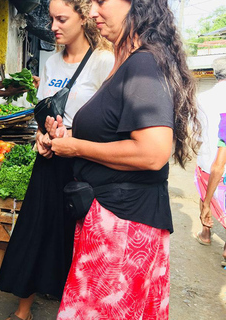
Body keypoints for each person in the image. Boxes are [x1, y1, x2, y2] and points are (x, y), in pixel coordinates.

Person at [45, 0, 199, 318]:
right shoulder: (127, 61)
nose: (93, 12)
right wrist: (69, 136)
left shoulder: (144, 63)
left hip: (123, 229)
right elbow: (115, 133)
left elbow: (153, 152)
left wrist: (76, 148)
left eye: (102, 1)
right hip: (114, 223)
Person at [0, 0, 114, 319]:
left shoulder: (104, 61)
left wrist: (72, 139)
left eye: (61, 19)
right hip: (49, 161)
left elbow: (111, 123)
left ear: (84, 17)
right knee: (36, 228)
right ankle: (23, 309)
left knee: (81, 238)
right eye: (51, 19)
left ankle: (79, 307)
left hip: (85, 163)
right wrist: (41, 139)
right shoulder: (50, 63)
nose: (53, 27)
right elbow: (44, 113)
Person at [194, 56, 226, 266]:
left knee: (204, 194)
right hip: (220, 163)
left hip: (208, 159)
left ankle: (206, 233)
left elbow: (195, 132)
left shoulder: (201, 97)